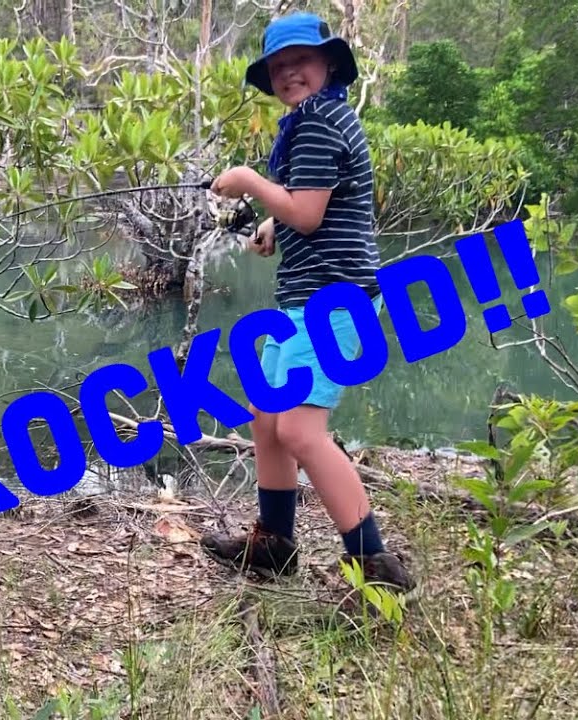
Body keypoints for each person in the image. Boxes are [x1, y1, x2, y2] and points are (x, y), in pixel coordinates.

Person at [201, 11, 415, 594]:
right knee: (267, 419)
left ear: (328, 64)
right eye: (279, 66)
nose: (290, 73)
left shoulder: (320, 124)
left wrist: (247, 181)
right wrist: (274, 223)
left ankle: (377, 565)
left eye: (301, 61)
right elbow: (305, 207)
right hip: (305, 297)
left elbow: (310, 213)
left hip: (334, 302)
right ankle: (274, 543)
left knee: (298, 431)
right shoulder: (311, 121)